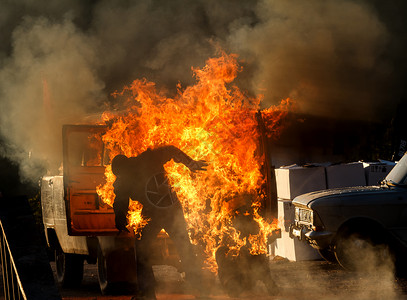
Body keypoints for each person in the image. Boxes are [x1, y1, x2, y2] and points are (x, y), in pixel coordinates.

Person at [111, 146, 208, 300]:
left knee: (144, 249)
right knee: (185, 247)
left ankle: (147, 293)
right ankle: (200, 289)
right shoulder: (146, 159)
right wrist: (190, 163)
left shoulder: (131, 173)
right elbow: (170, 150)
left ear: (121, 170)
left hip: (162, 213)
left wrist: (119, 217)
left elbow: (120, 201)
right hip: (170, 211)